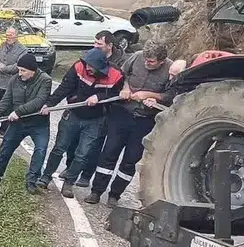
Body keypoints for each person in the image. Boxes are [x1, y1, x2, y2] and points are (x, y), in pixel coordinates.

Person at [84, 43, 173, 207]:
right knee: (109, 152)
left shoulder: (170, 69)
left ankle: (115, 195)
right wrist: (124, 88)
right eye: (145, 59)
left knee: (131, 159)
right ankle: (96, 191)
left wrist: (152, 96)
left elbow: (170, 95)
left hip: (145, 120)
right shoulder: (136, 57)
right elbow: (120, 75)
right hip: (122, 114)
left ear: (161, 61)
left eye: (151, 61)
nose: (147, 63)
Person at [36, 48, 124, 197]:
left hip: (95, 120)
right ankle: (45, 177)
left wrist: (99, 97)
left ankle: (69, 183)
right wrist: (49, 104)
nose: (87, 67)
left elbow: (118, 94)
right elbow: (65, 88)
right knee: (59, 147)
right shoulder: (78, 67)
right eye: (87, 64)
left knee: (82, 154)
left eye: (91, 66)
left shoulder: (116, 75)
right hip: (73, 114)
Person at [64, 30, 128, 188]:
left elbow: (122, 84)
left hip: (104, 110)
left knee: (93, 146)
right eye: (95, 42)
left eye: (99, 44)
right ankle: (70, 167)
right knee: (73, 142)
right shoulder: (90, 57)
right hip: (82, 106)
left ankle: (86, 175)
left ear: (109, 45)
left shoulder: (121, 62)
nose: (95, 46)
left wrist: (101, 98)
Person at [0, 54, 53, 194]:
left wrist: (18, 112)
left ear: (32, 70)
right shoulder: (14, 80)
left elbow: (39, 101)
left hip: (38, 124)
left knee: (40, 150)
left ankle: (31, 181)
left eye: (23, 70)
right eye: (19, 70)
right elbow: (6, 101)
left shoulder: (45, 80)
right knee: (5, 149)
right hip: (18, 124)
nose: (20, 73)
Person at [0, 27, 27, 136]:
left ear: (16, 36)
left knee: (8, 107)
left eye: (11, 35)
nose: (8, 37)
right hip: (0, 82)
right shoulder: (2, 46)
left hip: (12, 84)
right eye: (7, 35)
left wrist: (4, 68)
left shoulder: (22, 50)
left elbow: (18, 66)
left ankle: (3, 130)